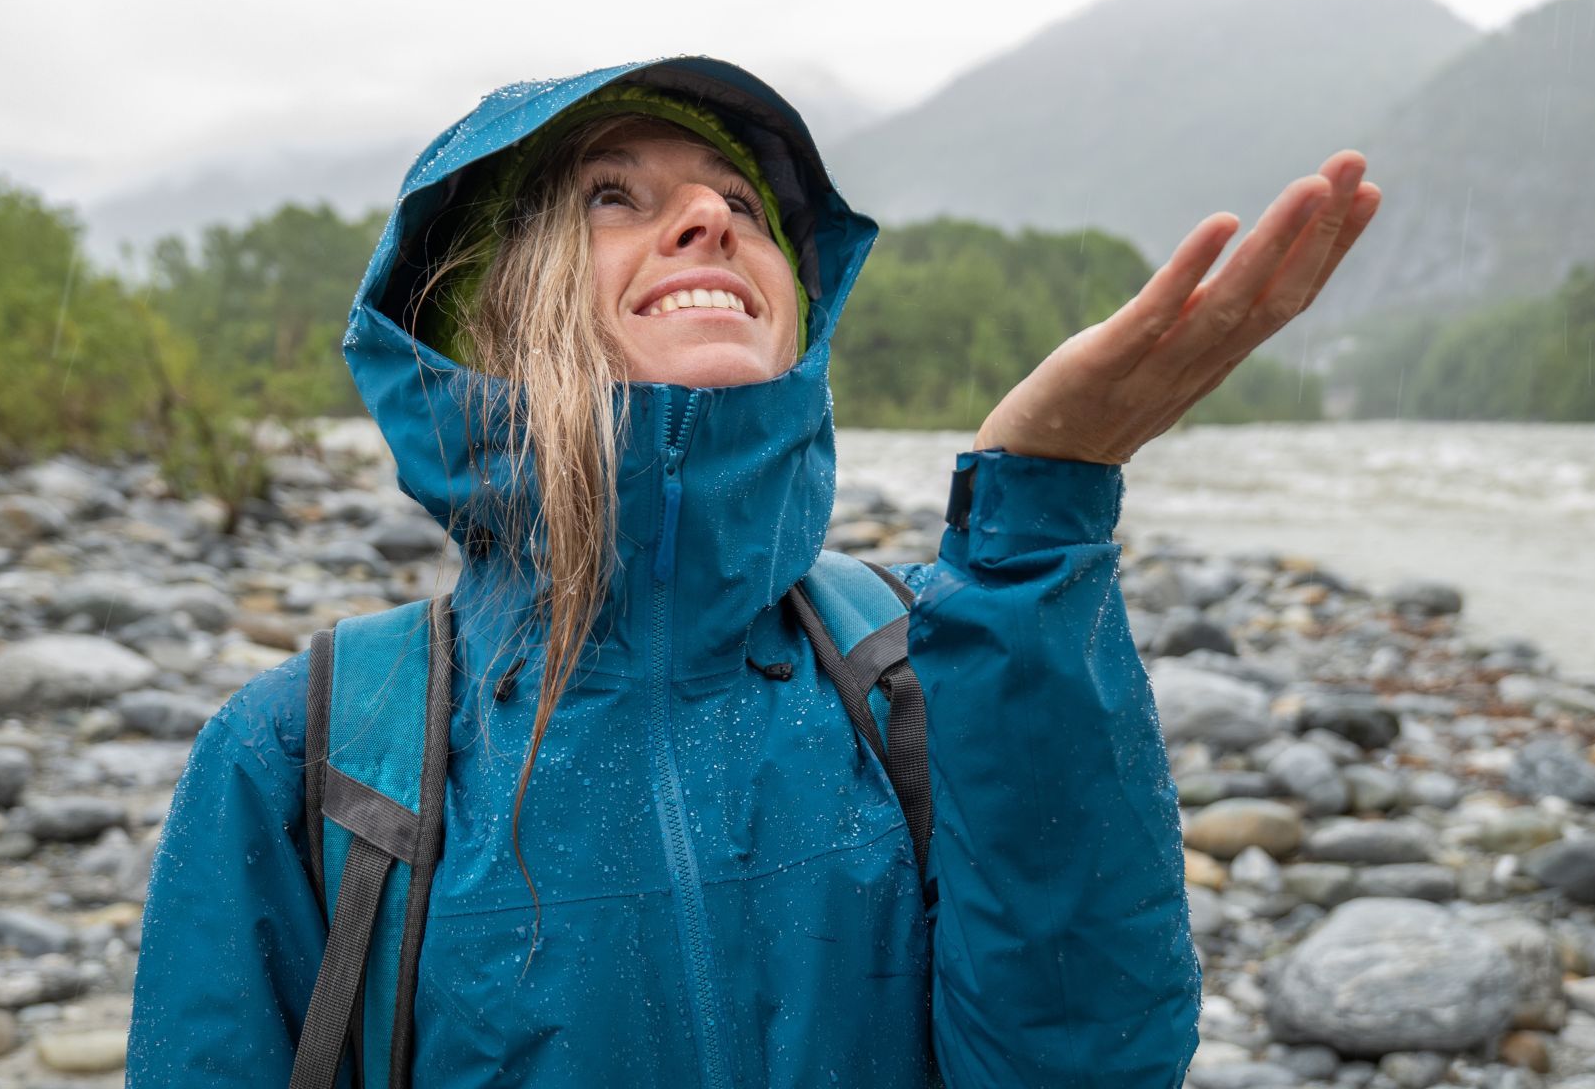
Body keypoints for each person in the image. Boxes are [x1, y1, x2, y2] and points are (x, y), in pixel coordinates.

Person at [125, 55, 1380, 1088]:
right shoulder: (306, 755)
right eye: (611, 195)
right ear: (477, 316)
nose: (711, 216)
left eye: (740, 202)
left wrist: (1041, 510)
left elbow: (1084, 1059)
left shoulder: (927, 654)